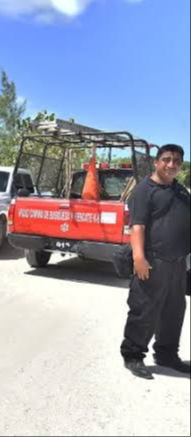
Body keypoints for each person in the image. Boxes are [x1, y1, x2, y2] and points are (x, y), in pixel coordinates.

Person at [121, 144, 191, 380]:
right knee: (144, 310)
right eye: (167, 160)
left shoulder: (181, 192)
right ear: (156, 162)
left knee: (174, 311)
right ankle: (133, 356)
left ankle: (166, 355)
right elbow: (137, 226)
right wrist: (139, 258)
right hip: (152, 262)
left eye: (177, 161)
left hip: (178, 264)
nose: (172, 165)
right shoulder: (144, 191)